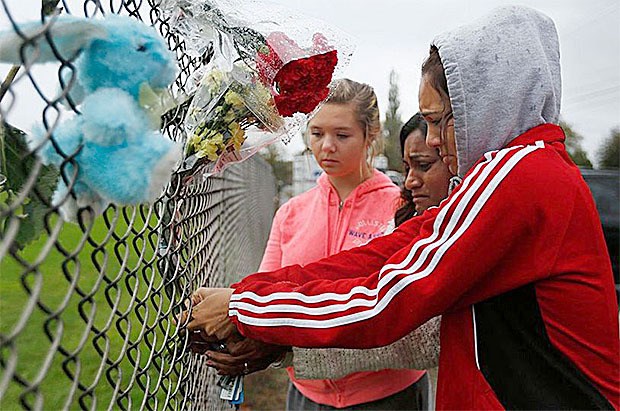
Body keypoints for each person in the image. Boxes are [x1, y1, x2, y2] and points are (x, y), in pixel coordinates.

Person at [189, 6, 620, 409]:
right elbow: (386, 255)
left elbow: (387, 296)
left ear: (482, 105)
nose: (431, 138)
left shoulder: (520, 175)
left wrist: (245, 308)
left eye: (437, 120)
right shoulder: (519, 172)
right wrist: (256, 302)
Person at [216, 78, 430, 410]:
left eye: (342, 135)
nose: (327, 146)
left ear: (370, 135)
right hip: (306, 393)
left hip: (387, 394)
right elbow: (267, 291)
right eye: (317, 134)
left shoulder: (402, 208)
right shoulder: (291, 213)